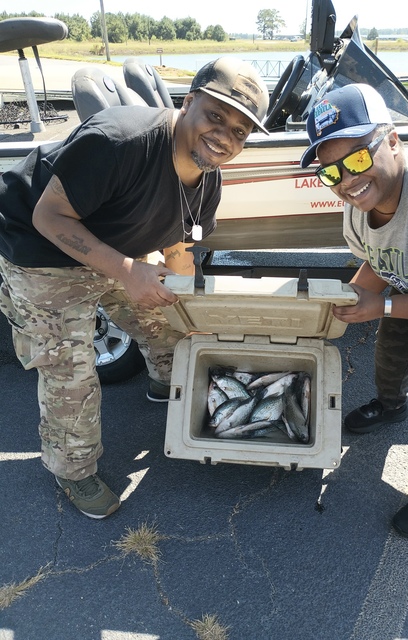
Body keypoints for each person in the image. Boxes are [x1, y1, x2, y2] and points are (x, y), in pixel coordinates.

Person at [0, 57, 269, 519]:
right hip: (41, 249)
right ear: (189, 103)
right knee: (71, 369)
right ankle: (74, 470)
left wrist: (186, 303)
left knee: (164, 318)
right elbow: (49, 217)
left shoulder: (209, 179)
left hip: (114, 247)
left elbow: (184, 241)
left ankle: (169, 384)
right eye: (216, 116)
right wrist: (127, 272)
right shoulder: (119, 141)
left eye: (240, 131)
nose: (225, 136)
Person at [300, 83, 408, 539]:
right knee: (392, 350)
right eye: (331, 172)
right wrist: (341, 309)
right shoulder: (357, 201)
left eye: (358, 158)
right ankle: (390, 405)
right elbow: (379, 261)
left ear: (393, 139)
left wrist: (381, 305)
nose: (346, 180)